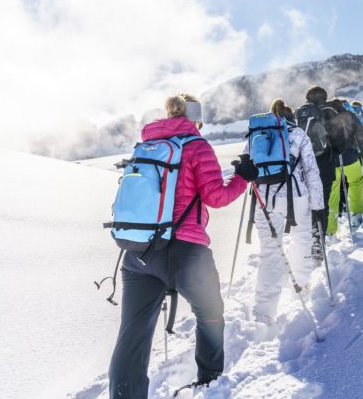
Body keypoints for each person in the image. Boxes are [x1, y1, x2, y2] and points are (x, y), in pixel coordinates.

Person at [108, 93, 257, 398]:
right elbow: (216, 197)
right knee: (211, 313)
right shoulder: (197, 145)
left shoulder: (145, 145)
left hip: (139, 253)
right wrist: (243, 178)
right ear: (196, 119)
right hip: (187, 252)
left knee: (132, 334)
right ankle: (209, 380)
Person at [251, 99, 324, 325]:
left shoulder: (257, 132)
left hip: (264, 199)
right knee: (301, 240)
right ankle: (300, 289)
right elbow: (311, 171)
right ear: (291, 117)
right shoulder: (299, 134)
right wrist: (318, 206)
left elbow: (249, 165)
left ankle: (264, 312)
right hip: (296, 196)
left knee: (270, 252)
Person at [296, 86, 337, 261]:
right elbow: (337, 138)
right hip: (324, 164)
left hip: (303, 164)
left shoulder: (298, 112)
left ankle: (305, 244)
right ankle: (318, 244)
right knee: (322, 204)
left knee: (305, 205)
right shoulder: (327, 111)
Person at [325, 97, 363, 233]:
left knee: (333, 190)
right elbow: (361, 135)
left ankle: (331, 228)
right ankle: (356, 214)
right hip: (350, 156)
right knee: (356, 182)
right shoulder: (350, 115)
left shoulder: (325, 116)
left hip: (332, 160)